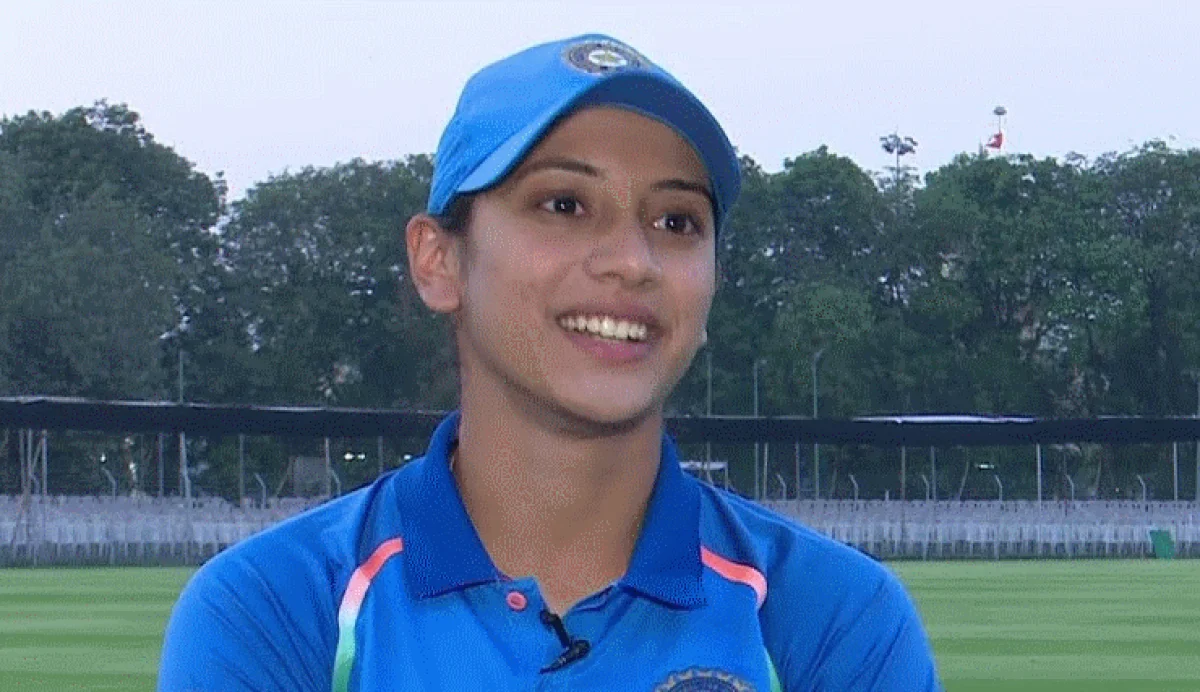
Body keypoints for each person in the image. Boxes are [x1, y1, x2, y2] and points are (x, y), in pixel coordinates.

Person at [159, 33, 942, 691]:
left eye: (677, 221)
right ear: (438, 260)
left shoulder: (835, 619)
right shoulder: (276, 608)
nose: (632, 261)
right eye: (563, 204)